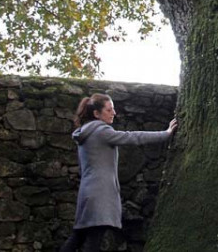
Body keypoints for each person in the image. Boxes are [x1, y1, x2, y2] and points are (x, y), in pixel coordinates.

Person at [59, 93, 178, 252]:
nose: (114, 113)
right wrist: (166, 134)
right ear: (97, 114)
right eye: (109, 110)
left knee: (78, 237)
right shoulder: (101, 132)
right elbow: (133, 137)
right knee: (93, 241)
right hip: (99, 194)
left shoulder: (85, 134)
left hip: (87, 193)